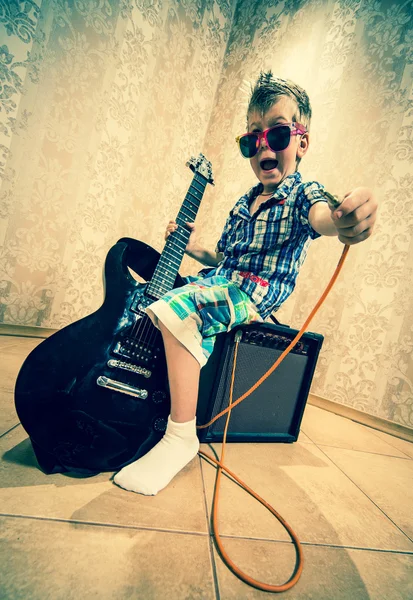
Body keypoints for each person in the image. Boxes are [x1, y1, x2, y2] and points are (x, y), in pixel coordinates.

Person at [114, 71, 377, 495]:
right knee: (159, 296)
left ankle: (181, 437)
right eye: (251, 139)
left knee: (181, 308)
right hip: (222, 279)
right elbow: (226, 258)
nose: (264, 148)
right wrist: (195, 246)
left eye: (276, 134)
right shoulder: (242, 201)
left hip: (252, 294)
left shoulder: (300, 193)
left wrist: (347, 220)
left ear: (301, 142)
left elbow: (324, 218)